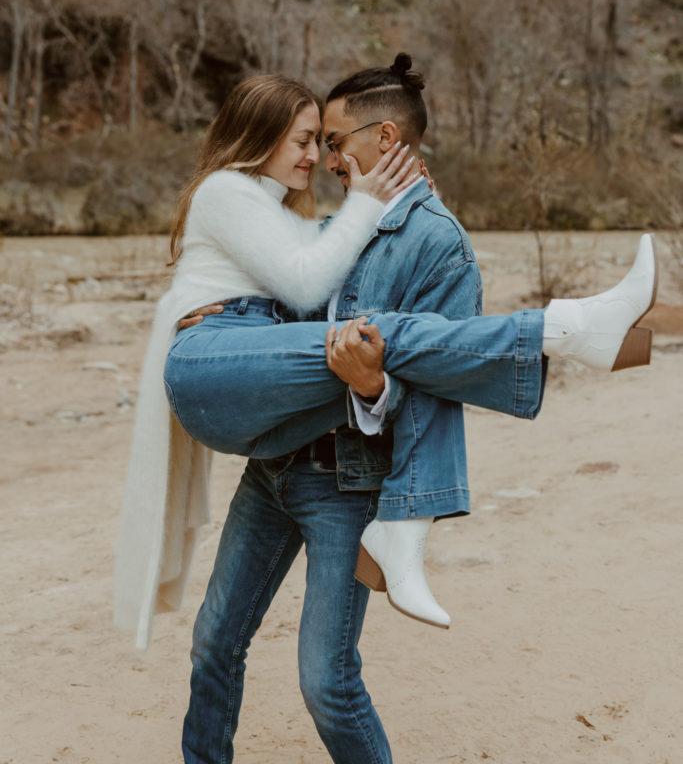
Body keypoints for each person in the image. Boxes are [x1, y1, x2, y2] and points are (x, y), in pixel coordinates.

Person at [115, 56, 656, 764]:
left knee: (326, 683)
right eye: (317, 143)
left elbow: (437, 385)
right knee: (214, 642)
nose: (329, 161)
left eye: (335, 142)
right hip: (275, 463)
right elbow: (291, 308)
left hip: (345, 480)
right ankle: (564, 329)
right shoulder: (339, 224)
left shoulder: (440, 246)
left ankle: (567, 330)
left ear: (385, 136)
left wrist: (374, 387)